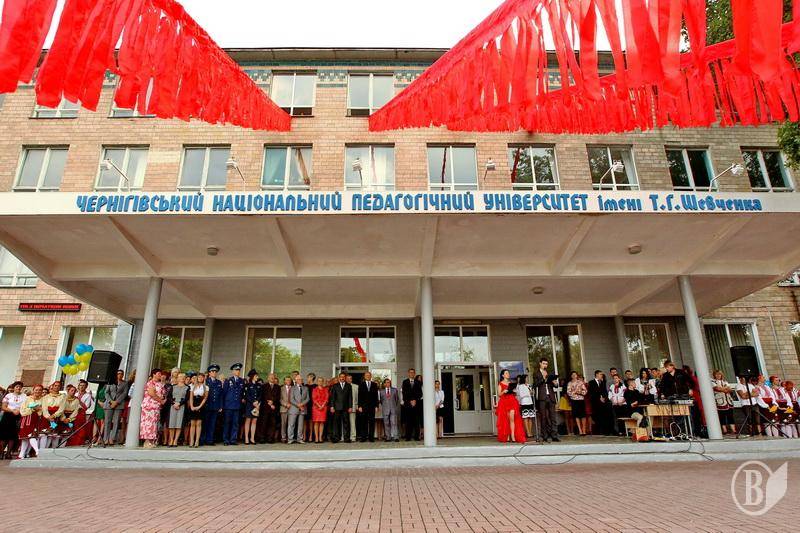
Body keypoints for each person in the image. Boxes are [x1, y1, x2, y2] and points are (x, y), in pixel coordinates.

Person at [496, 369, 525, 443]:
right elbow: (499, 394)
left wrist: (514, 391)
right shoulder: (500, 383)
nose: (508, 374)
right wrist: (503, 391)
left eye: (508, 373)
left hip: (512, 401)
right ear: (503, 375)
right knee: (506, 420)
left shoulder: (511, 383)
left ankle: (513, 436)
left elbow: (515, 393)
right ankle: (507, 436)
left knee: (512, 418)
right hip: (504, 402)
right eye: (506, 373)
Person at [533, 360, 558, 442]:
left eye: (546, 364)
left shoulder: (550, 373)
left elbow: (555, 386)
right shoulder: (536, 373)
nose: (545, 365)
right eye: (544, 363)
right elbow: (535, 384)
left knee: (553, 417)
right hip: (542, 398)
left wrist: (555, 383)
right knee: (543, 417)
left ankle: (554, 435)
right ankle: (545, 435)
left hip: (551, 397)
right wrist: (543, 378)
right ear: (540, 363)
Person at [140, 369, 166, 449]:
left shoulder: (160, 384)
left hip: (156, 406)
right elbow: (151, 393)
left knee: (154, 424)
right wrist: (161, 401)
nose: (160, 375)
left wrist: (163, 399)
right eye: (158, 373)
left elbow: (163, 393)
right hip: (149, 406)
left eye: (160, 374)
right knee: (148, 423)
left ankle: (152, 441)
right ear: (153, 374)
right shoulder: (150, 383)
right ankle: (147, 441)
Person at [18, 384, 45, 459]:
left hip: (37, 419)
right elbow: (22, 410)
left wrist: (39, 410)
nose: (38, 391)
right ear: (33, 390)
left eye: (40, 390)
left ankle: (36, 452)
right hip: (27, 419)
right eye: (36, 390)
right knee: (26, 437)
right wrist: (33, 409)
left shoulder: (43, 400)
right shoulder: (27, 399)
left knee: (32, 435)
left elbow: (43, 410)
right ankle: (22, 454)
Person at [0, 381, 25, 459]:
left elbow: (25, 406)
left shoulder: (24, 396)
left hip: (18, 416)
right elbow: (3, 407)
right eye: (17, 386)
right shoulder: (8, 395)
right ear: (14, 388)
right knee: (3, 435)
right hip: (7, 416)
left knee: (13, 436)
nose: (18, 388)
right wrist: (12, 410)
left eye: (20, 387)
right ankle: (1, 453)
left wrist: (19, 410)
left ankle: (8, 453)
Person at [222, 363, 244, 446]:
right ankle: (226, 439)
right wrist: (223, 405)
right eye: (236, 370)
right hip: (228, 405)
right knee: (227, 423)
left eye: (239, 370)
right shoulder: (228, 380)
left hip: (237, 405)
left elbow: (242, 393)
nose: (238, 371)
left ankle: (233, 439)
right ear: (233, 371)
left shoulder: (241, 381)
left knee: (235, 424)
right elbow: (224, 393)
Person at [103, 369, 128, 446]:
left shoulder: (125, 383)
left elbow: (124, 393)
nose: (119, 375)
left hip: (119, 404)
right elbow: (106, 393)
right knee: (107, 422)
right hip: (109, 404)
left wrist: (117, 402)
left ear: (123, 375)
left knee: (116, 422)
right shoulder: (110, 382)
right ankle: (105, 439)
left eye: (121, 374)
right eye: (118, 373)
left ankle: (112, 438)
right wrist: (111, 401)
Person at [201, 364, 223, 446]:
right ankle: (202, 439)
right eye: (212, 371)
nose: (214, 373)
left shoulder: (219, 382)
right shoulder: (206, 381)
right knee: (205, 423)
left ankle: (209, 440)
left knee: (212, 424)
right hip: (207, 405)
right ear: (209, 373)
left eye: (215, 371)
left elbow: (220, 395)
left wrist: (220, 406)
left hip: (215, 406)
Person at [41, 381, 66, 448]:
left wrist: (54, 415)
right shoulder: (46, 396)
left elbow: (62, 408)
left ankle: (54, 449)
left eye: (58, 386)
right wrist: (48, 416)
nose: (57, 387)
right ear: (52, 386)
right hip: (47, 416)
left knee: (55, 435)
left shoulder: (62, 397)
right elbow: (44, 408)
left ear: (60, 387)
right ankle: (43, 450)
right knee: (46, 434)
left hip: (57, 416)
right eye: (55, 385)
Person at [329, 372, 352, 443]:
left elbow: (350, 397)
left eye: (343, 377)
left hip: (346, 407)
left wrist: (350, 407)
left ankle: (346, 438)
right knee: (336, 423)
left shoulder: (348, 386)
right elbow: (332, 397)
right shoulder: (335, 386)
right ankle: (336, 438)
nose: (342, 378)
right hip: (337, 407)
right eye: (341, 377)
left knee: (346, 423)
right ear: (339, 378)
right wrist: (332, 406)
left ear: (345, 378)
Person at [711, 370, 736, 435]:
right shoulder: (713, 382)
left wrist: (723, 389)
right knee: (722, 416)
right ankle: (724, 431)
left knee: (730, 416)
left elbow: (730, 390)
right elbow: (717, 389)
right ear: (714, 375)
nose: (718, 375)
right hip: (720, 401)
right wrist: (725, 388)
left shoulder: (725, 381)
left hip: (728, 401)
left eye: (719, 374)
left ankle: (733, 430)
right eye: (716, 374)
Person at [588, 370, 612, 435]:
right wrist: (599, 398)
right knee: (597, 417)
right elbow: (591, 393)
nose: (602, 375)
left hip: (603, 402)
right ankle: (598, 431)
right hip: (595, 403)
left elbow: (605, 391)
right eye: (600, 374)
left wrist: (604, 398)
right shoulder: (591, 382)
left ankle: (605, 431)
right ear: (597, 375)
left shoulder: (603, 382)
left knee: (603, 417)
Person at [258, 373, 281, 444]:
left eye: (273, 377)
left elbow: (278, 397)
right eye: (271, 377)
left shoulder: (278, 387)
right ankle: (262, 438)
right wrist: (268, 402)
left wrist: (272, 402)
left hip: (274, 408)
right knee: (263, 423)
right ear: (268, 378)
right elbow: (262, 396)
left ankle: (270, 438)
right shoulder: (264, 386)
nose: (272, 378)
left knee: (272, 424)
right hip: (265, 408)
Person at [187, 372, 208, 448]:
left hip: (201, 405)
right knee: (192, 424)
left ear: (203, 378)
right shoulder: (192, 386)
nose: (200, 378)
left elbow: (205, 398)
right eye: (199, 377)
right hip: (193, 404)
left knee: (198, 424)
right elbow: (191, 397)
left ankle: (197, 441)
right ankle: (191, 440)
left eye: (202, 377)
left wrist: (199, 407)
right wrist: (192, 406)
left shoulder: (205, 387)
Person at [167, 373, 188, 447]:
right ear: (177, 378)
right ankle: (171, 440)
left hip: (181, 407)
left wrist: (179, 404)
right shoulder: (173, 387)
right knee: (171, 424)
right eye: (180, 377)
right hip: (173, 406)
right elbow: (169, 397)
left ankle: (175, 440)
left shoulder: (187, 387)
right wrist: (174, 403)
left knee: (179, 424)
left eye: (183, 377)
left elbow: (187, 398)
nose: (181, 378)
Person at [287, 374, 309, 444]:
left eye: (301, 379)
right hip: (294, 409)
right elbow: (291, 399)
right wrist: (298, 405)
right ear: (296, 380)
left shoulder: (306, 388)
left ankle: (300, 439)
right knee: (291, 424)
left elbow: (308, 398)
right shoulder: (292, 388)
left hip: (302, 409)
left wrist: (302, 404)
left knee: (301, 425)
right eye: (299, 379)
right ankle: (290, 439)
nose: (300, 380)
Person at [401, 368, 422, 441]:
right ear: (408, 373)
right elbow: (404, 393)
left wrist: (415, 400)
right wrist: (410, 400)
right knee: (408, 421)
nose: (412, 374)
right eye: (410, 372)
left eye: (413, 372)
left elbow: (420, 393)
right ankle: (408, 437)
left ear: (414, 374)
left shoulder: (418, 382)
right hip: (408, 404)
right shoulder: (405, 382)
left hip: (416, 404)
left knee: (416, 421)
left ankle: (417, 437)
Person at [242, 369, 261, 445]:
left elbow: (260, 395)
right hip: (249, 405)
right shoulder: (247, 385)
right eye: (256, 376)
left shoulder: (259, 385)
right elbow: (247, 395)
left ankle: (252, 438)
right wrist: (253, 402)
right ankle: (246, 438)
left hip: (256, 406)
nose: (257, 377)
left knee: (254, 421)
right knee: (248, 421)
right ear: (252, 376)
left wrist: (257, 402)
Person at [357, 371, 378, 442]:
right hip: (363, 406)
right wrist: (359, 406)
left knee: (372, 422)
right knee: (364, 422)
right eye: (366, 375)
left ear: (371, 376)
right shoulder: (361, 384)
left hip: (372, 406)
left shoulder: (374, 384)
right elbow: (359, 396)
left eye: (369, 375)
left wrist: (376, 406)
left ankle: (371, 437)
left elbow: (376, 396)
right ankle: (363, 437)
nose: (368, 376)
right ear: (364, 376)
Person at [566, 372, 588, 436]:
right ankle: (580, 430)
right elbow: (569, 393)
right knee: (576, 415)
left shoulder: (580, 382)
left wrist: (580, 392)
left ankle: (584, 430)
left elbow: (585, 391)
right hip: (574, 401)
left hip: (581, 400)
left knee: (583, 415)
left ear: (577, 376)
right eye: (572, 375)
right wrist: (574, 392)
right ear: (571, 376)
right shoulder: (569, 383)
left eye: (575, 375)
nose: (574, 376)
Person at [380, 378, 400, 442]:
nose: (388, 383)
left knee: (394, 423)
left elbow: (397, 399)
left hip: (393, 409)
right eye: (386, 382)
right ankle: (388, 437)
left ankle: (396, 437)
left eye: (389, 382)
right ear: (384, 384)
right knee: (386, 424)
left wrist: (394, 406)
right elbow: (381, 401)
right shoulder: (381, 391)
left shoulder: (394, 390)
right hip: (385, 410)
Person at [311, 376, 329, 443]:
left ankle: (320, 437)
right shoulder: (314, 389)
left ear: (323, 382)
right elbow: (314, 399)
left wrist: (323, 405)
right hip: (316, 408)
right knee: (316, 422)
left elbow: (327, 398)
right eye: (319, 381)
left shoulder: (325, 389)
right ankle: (316, 437)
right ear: (317, 382)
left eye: (321, 381)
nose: (320, 382)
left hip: (323, 407)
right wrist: (319, 405)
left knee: (322, 422)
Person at [279, 376, 293, 443]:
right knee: (283, 424)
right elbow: (280, 399)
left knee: (291, 424)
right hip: (284, 408)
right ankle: (283, 437)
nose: (288, 381)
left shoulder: (293, 388)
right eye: (287, 380)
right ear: (284, 381)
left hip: (292, 408)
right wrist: (285, 404)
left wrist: (291, 404)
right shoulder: (281, 388)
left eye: (289, 380)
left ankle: (290, 437)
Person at [304, 373, 317, 443]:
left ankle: (310, 436)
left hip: (312, 405)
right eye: (307, 377)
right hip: (305, 405)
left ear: (312, 378)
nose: (307, 378)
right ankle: (304, 436)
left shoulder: (315, 386)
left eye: (309, 377)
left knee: (311, 421)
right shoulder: (305, 386)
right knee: (304, 421)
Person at [347, 374, 359, 443]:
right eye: (347, 379)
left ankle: (353, 437)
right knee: (345, 423)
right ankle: (344, 436)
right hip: (344, 408)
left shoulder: (356, 387)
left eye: (350, 378)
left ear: (352, 379)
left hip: (353, 407)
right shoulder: (343, 386)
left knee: (352, 423)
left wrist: (357, 406)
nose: (349, 380)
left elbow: (357, 397)